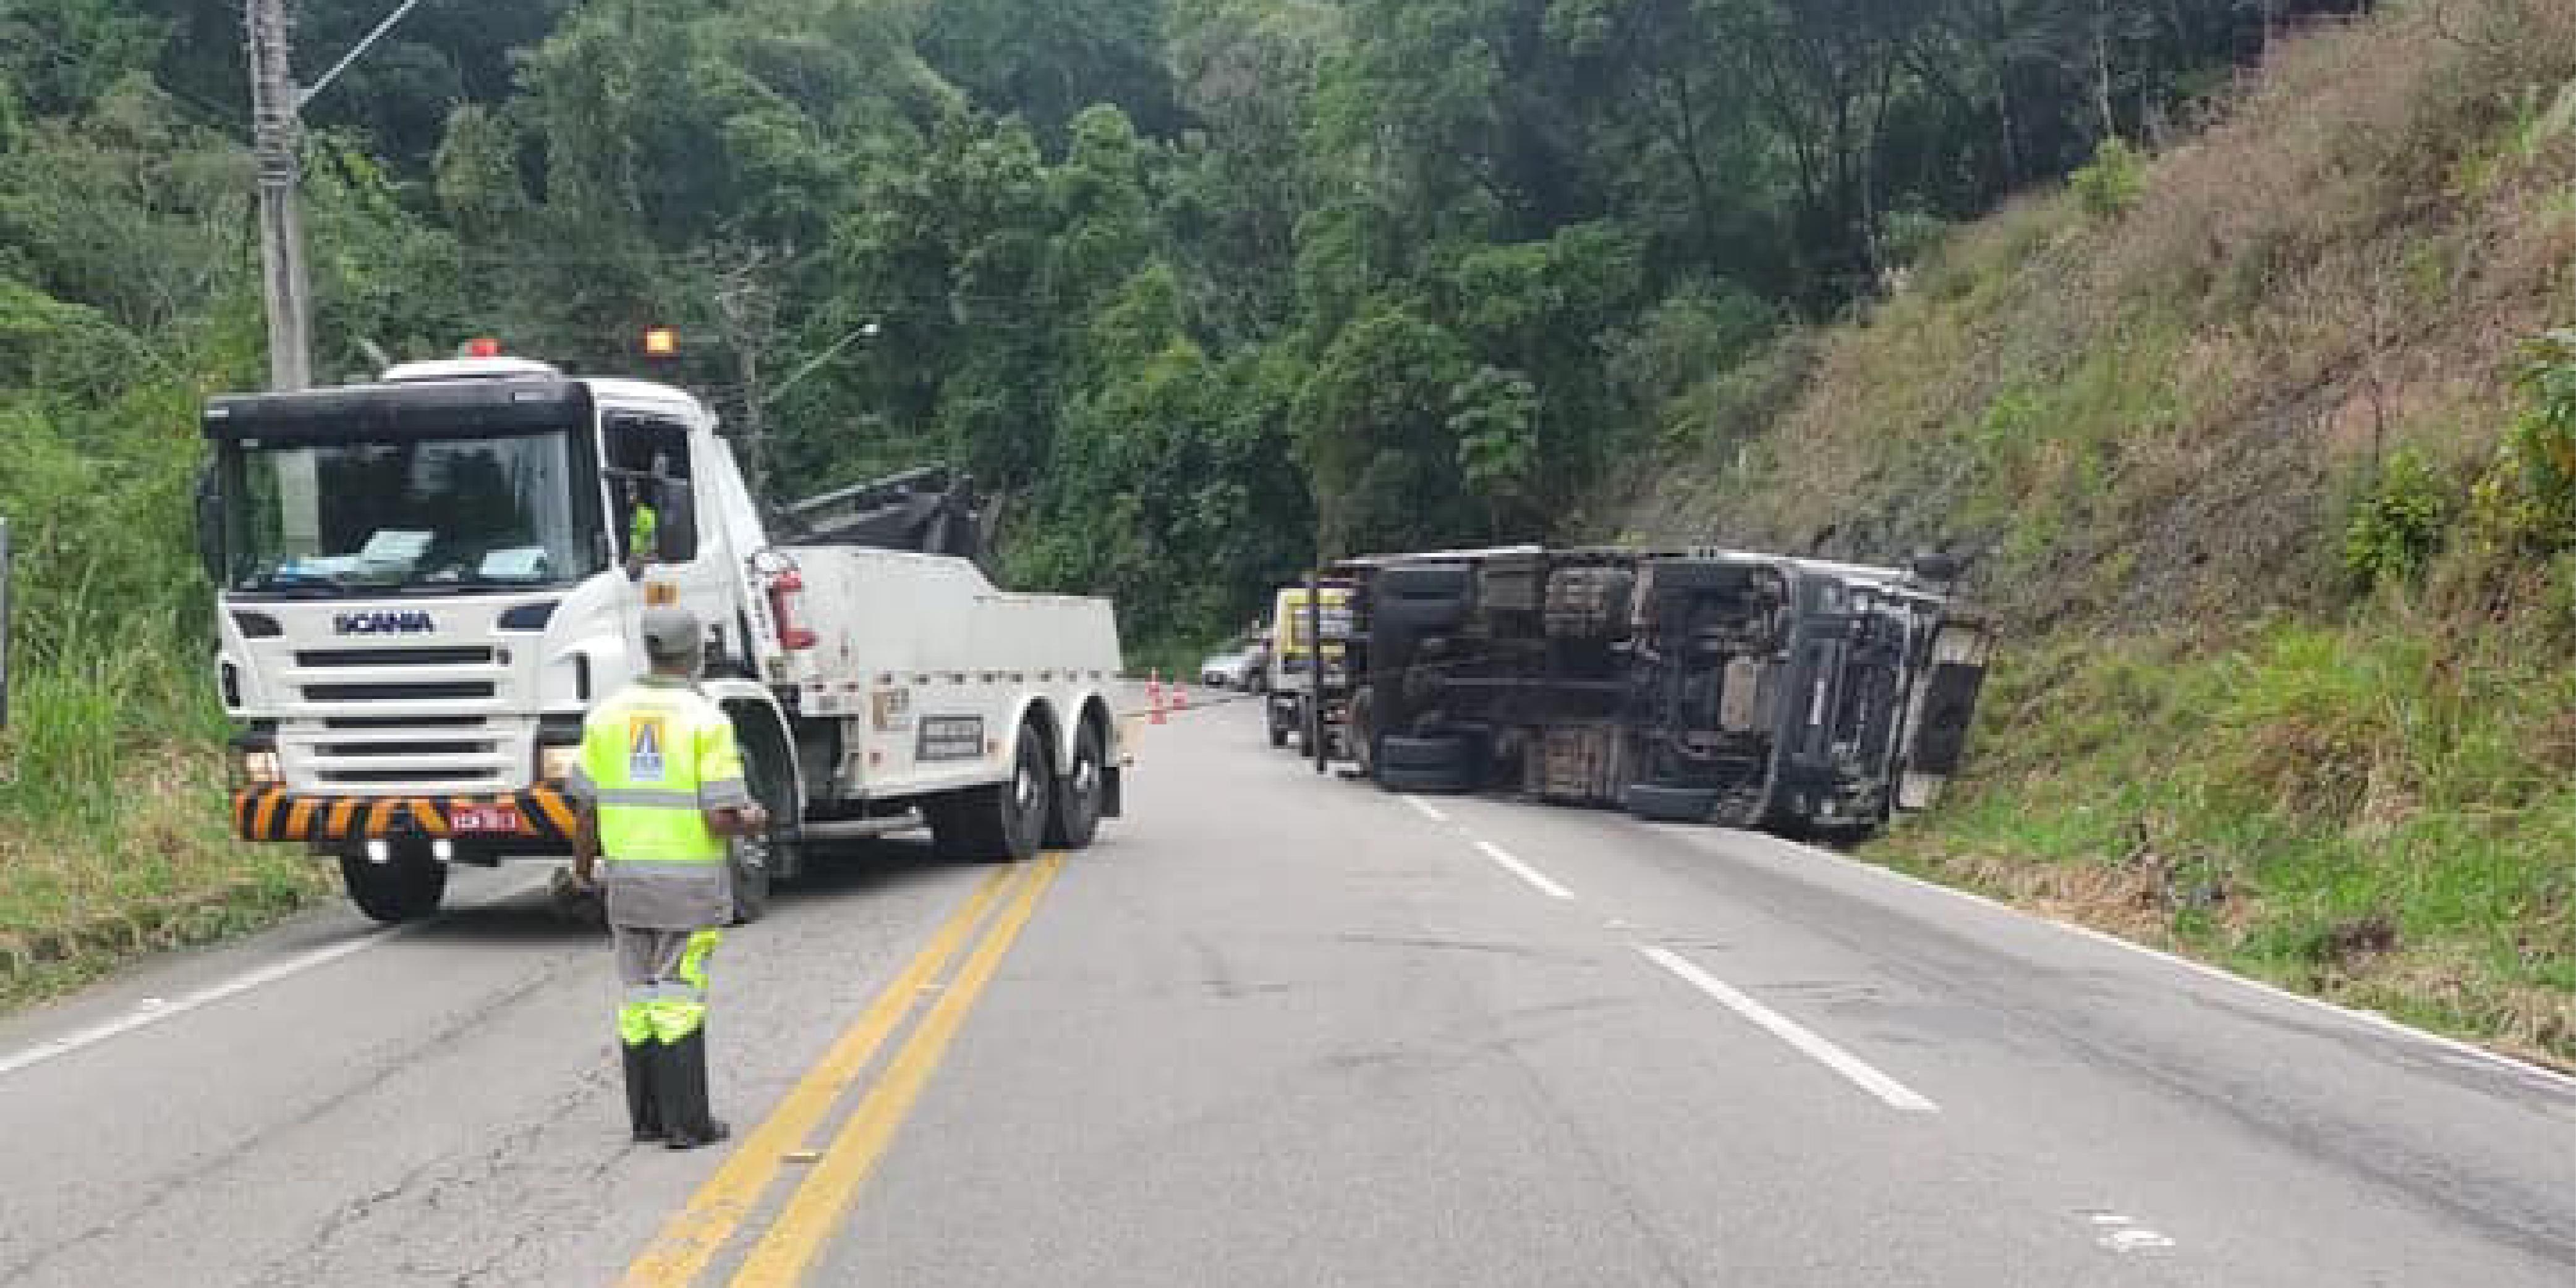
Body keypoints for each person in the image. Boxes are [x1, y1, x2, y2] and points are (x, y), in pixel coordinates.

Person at [564, 604, 768, 1150]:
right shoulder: (707, 722)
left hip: (627, 887)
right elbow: (718, 816)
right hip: (689, 890)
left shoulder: (606, 717)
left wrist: (584, 875)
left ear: (650, 651)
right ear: (696, 654)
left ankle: (647, 1119)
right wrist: (754, 818)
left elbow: (584, 811)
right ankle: (688, 1125)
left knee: (638, 999)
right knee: (679, 997)